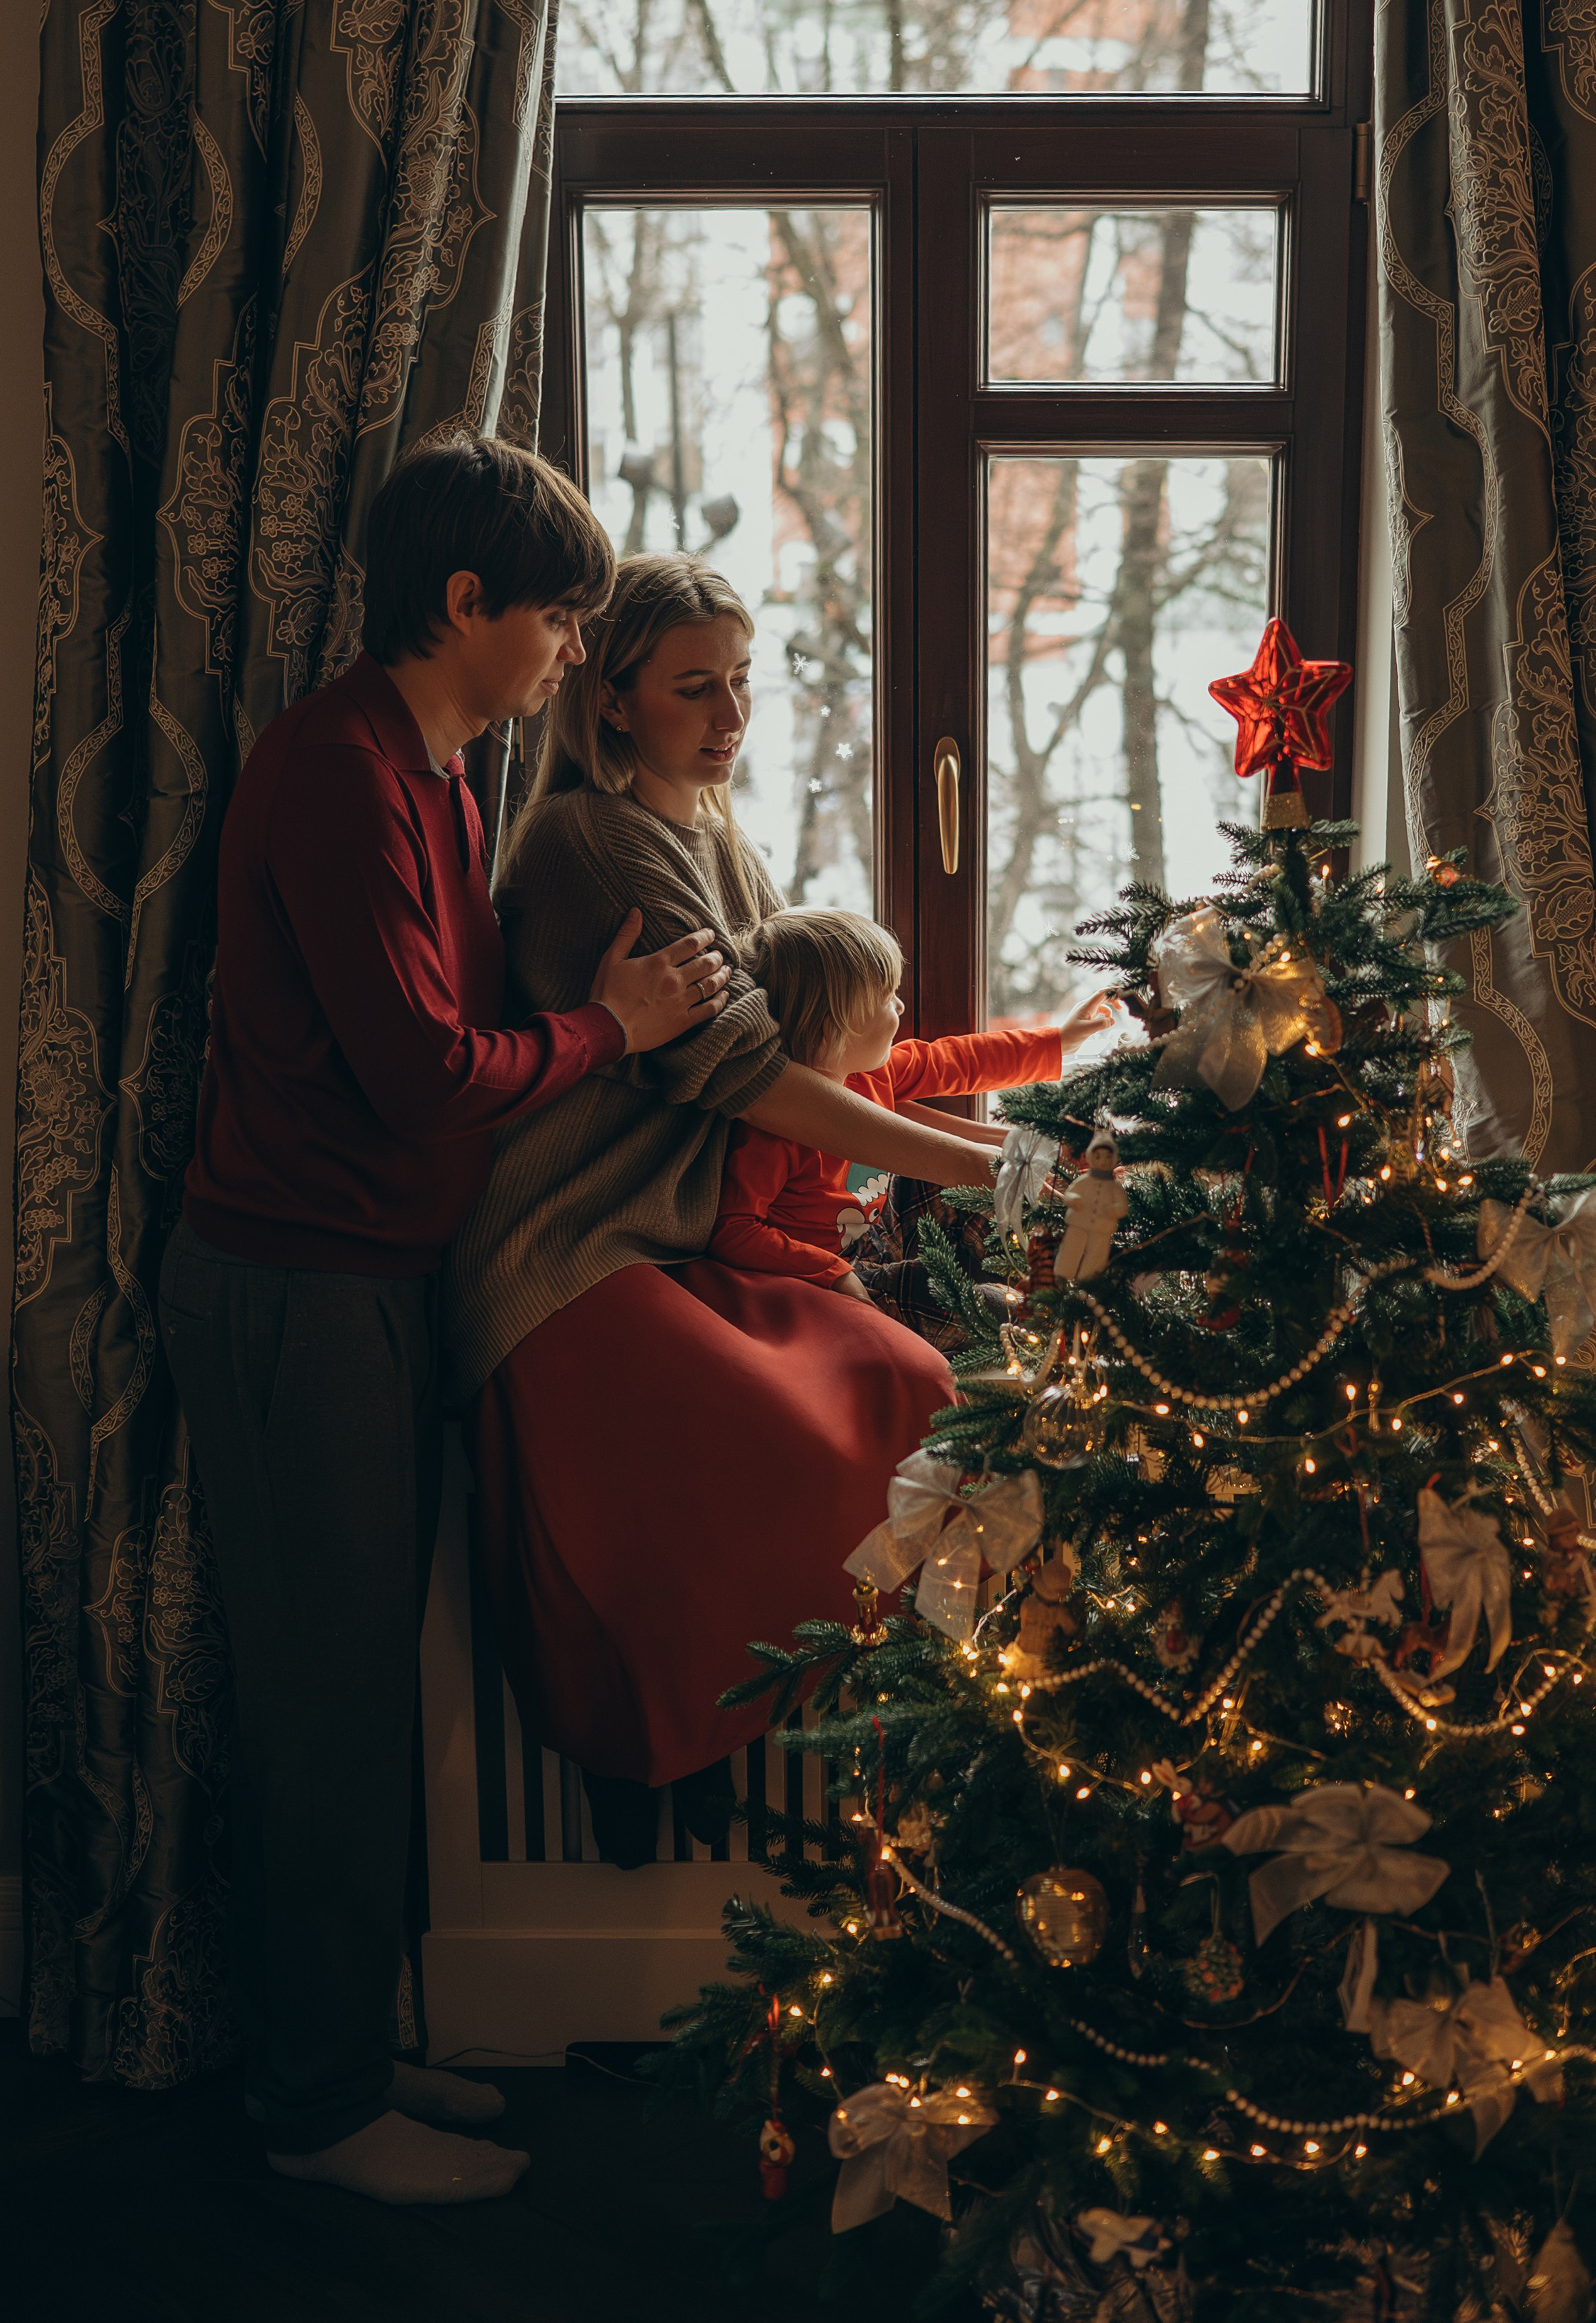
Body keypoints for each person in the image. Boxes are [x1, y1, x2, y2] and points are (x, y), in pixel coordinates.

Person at [158, 438, 729, 2207]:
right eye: (558, 611)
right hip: (291, 1285)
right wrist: (621, 1031)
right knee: (320, 1706)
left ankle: (342, 2038)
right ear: (463, 601)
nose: (574, 646)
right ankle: (315, 2107)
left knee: (365, 1697)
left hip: (373, 1282)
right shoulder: (337, 772)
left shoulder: (447, 774)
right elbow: (418, 1077)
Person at [447, 556, 999, 1869]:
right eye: (697, 686)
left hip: (685, 1246)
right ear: (616, 699)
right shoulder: (590, 840)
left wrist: (990, 1121)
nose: (732, 709)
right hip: (570, 1250)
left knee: (912, 1383)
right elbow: (751, 1071)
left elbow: (819, 1053)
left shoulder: (719, 841)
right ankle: (658, 1735)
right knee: (766, 1445)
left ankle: (729, 1722)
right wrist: (980, 1168)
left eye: (742, 680)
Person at [709, 904, 1115, 1328]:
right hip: (843, 1272)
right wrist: (833, 1274)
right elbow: (734, 1229)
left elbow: (958, 1060)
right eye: (887, 998)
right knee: (968, 1300)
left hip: (887, 1221)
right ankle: (1067, 1315)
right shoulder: (774, 1131)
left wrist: (1056, 1043)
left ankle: (1096, 1255)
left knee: (1017, 1169)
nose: (900, 1007)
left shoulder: (873, 1073)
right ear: (834, 1027)